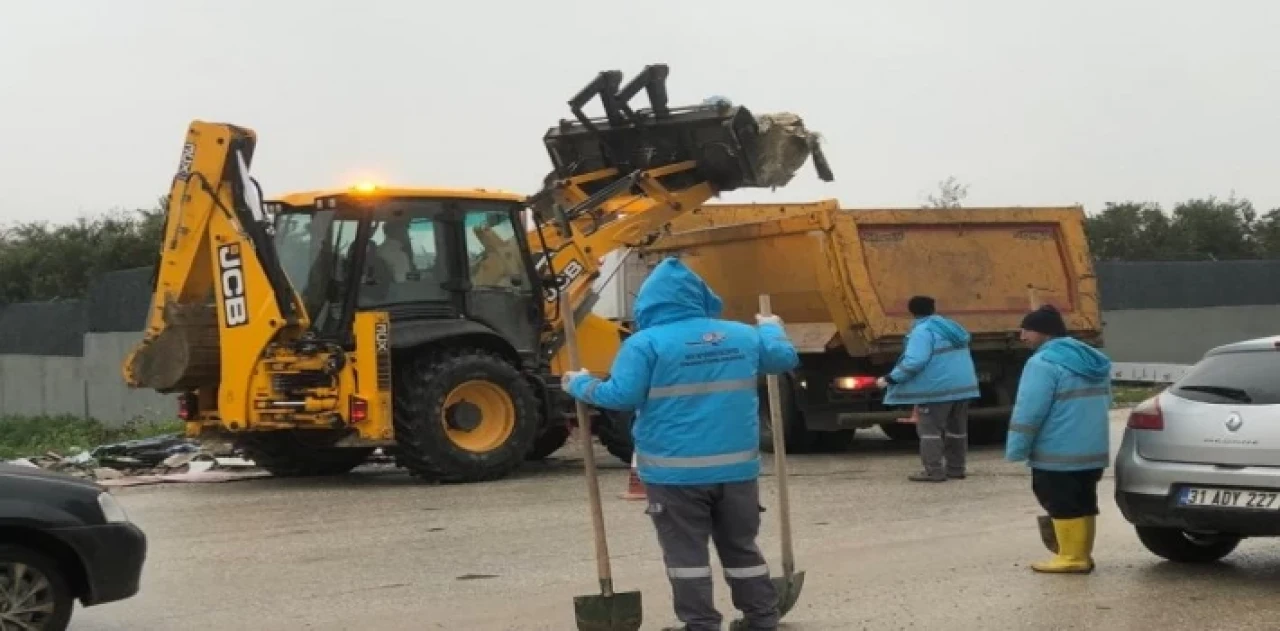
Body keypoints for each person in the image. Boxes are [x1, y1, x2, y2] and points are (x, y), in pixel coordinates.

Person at [562, 256, 799, 631]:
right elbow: (783, 358)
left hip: (674, 474)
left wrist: (578, 384)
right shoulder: (741, 335)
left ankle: (701, 624)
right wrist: (771, 329)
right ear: (701, 296)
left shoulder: (646, 343)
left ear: (649, 304)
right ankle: (762, 617)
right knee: (741, 548)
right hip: (737, 471)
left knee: (686, 555)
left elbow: (620, 395)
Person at [1004, 304, 1112, 574]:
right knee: (1084, 501)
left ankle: (1072, 558)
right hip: (1091, 449)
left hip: (1057, 451)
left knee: (1061, 502)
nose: (1022, 336)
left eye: (1027, 330)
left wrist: (1017, 448)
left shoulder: (1043, 363)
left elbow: (1030, 409)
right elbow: (1107, 401)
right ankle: (1081, 553)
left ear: (1043, 333)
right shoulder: (1093, 360)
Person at [875, 296, 980, 482]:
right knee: (957, 430)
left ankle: (933, 471)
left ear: (912, 311)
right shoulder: (952, 327)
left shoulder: (922, 331)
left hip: (937, 390)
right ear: (933, 308)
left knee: (930, 432)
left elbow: (915, 361)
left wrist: (891, 378)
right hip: (964, 387)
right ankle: (956, 469)